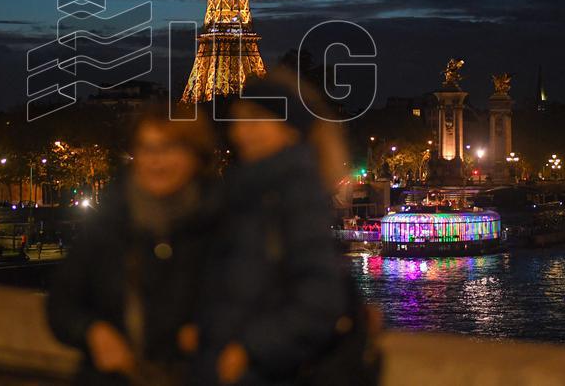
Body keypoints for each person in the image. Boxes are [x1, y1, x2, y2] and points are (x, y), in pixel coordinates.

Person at [197, 70, 367, 386]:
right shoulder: (253, 189)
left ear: (290, 129)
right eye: (237, 121)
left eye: (255, 121)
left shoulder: (293, 194)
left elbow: (319, 301)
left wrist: (249, 350)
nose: (240, 133)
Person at [47, 104, 218, 385]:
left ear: (196, 154)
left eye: (169, 148)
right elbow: (62, 303)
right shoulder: (110, 221)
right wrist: (92, 330)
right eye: (146, 148)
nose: (155, 160)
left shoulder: (224, 220)